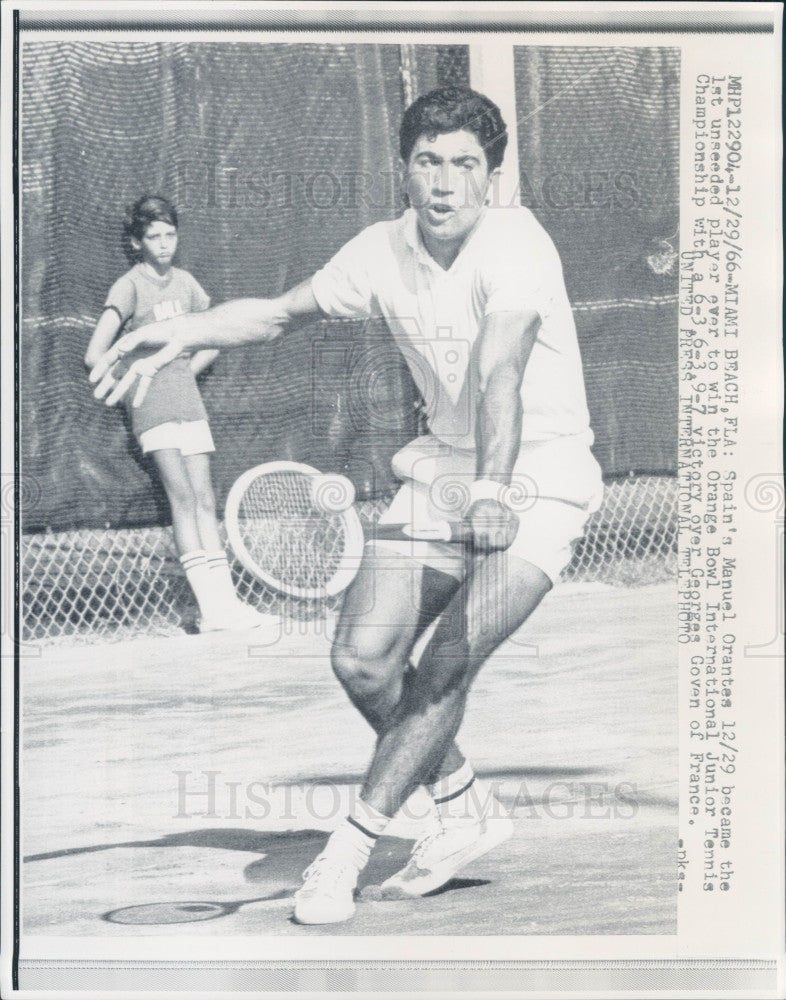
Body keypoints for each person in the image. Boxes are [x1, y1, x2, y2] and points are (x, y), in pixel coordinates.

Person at [89, 88, 603, 924]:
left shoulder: (519, 243)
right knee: (364, 658)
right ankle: (463, 803)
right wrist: (187, 333)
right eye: (428, 162)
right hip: (443, 464)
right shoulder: (379, 250)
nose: (445, 183)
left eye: (465, 165)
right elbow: (280, 315)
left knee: (443, 665)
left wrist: (493, 492)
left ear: (492, 175)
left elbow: (500, 369)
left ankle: (347, 852)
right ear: (404, 168)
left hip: (539, 477)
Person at [85, 195, 270, 633]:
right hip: (152, 406)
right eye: (154, 236)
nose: (164, 243)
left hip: (189, 401)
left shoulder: (186, 283)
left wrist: (182, 366)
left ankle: (227, 608)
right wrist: (128, 379)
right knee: (183, 499)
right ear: (137, 242)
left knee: (206, 500)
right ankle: (211, 611)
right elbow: (96, 354)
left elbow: (214, 336)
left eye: (170, 234)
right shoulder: (128, 286)